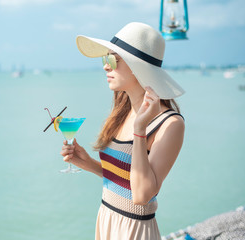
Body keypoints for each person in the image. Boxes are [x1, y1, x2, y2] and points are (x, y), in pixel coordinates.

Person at [60, 22, 185, 240]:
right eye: (104, 59)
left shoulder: (170, 124)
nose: (105, 67)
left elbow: (141, 195)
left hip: (134, 230)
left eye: (112, 60)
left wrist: (140, 129)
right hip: (107, 219)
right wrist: (89, 164)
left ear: (139, 69)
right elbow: (126, 180)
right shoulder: (122, 110)